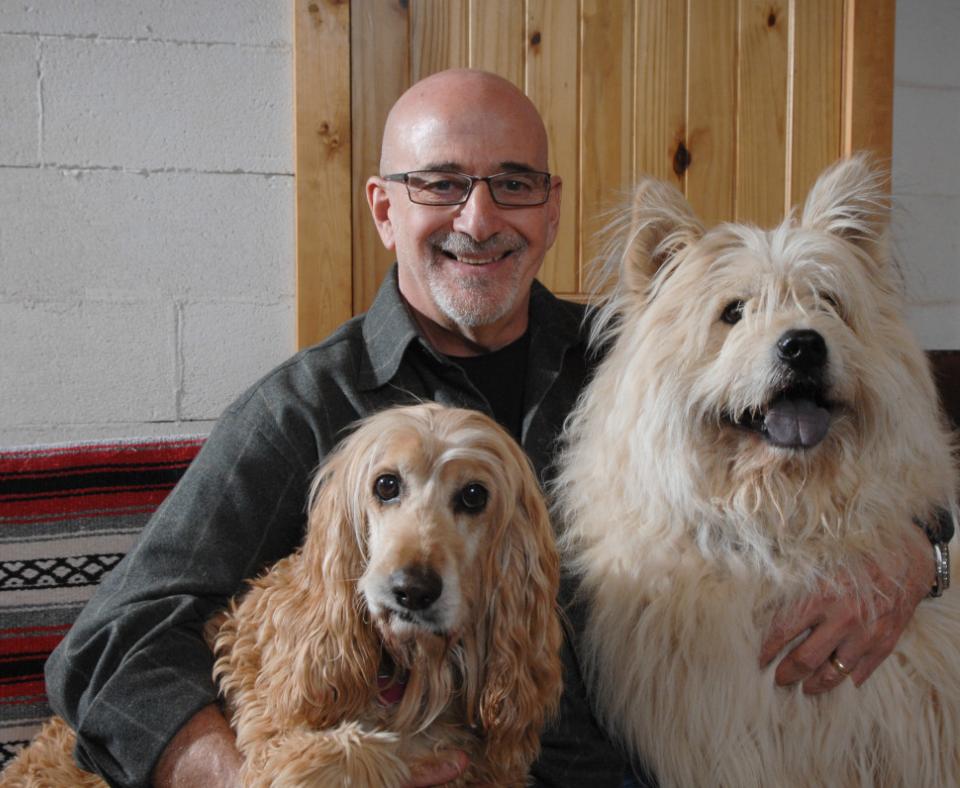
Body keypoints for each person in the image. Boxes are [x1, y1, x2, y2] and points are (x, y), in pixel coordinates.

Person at [45, 69, 938, 788]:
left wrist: (920, 554)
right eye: (440, 184)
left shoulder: (638, 359)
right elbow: (111, 642)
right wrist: (241, 782)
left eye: (512, 184)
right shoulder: (309, 408)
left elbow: (863, 460)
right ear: (384, 208)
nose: (480, 218)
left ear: (547, 212)